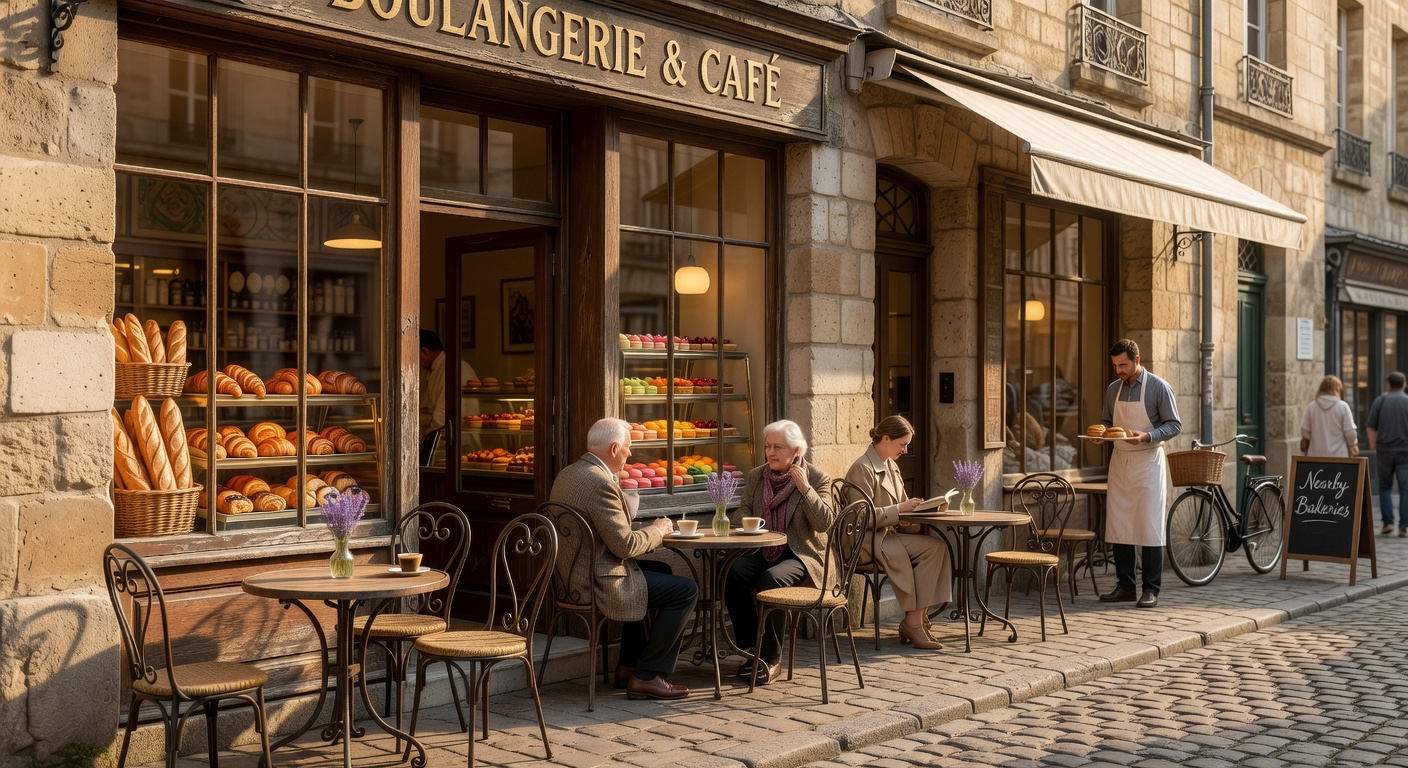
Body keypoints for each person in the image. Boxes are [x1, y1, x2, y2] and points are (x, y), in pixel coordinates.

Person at [549, 418, 698, 699]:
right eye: (628, 449)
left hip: (572, 577)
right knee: (685, 591)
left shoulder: (569, 472)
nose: (630, 454)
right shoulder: (600, 483)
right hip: (596, 581)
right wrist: (657, 530)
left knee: (661, 570)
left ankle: (627, 666)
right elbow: (625, 546)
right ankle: (647, 676)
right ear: (615, 448)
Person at [724, 420, 835, 685]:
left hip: (801, 555)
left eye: (778, 447)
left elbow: (825, 522)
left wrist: (805, 489)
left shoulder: (817, 478)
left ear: (796, 451)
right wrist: (751, 523)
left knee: (771, 579)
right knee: (733, 573)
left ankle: (772, 659)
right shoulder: (757, 476)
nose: (771, 453)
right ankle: (751, 650)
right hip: (764, 548)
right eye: (767, 446)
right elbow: (742, 511)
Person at [844, 415, 951, 650]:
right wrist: (899, 509)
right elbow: (860, 518)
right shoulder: (862, 468)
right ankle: (914, 622)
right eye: (902, 444)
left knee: (937, 547)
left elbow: (901, 512)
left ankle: (914, 617)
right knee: (932, 550)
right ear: (885, 438)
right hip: (866, 541)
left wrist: (926, 509)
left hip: (886, 535)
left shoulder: (891, 465)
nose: (905, 450)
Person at [1097, 339, 1182, 610]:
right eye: (1115, 365)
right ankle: (1125, 586)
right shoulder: (1113, 390)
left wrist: (1147, 436)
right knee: (1119, 523)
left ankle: (1151, 589)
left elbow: (1174, 425)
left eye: (1123, 364)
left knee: (1148, 525)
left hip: (1147, 461)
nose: (1118, 370)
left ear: (1137, 359)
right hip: (1120, 460)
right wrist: (1099, 433)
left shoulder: (1159, 387)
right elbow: (1107, 421)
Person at [1366, 371, 1408, 536]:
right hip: (1405, 451)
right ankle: (1404, 525)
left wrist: (1373, 445)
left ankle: (1387, 523)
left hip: (1384, 450)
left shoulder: (1380, 401)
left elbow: (1370, 426)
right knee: (1405, 489)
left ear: (1389, 385)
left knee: (1384, 487)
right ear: (1404, 384)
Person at [418, 329, 477, 442]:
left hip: (459, 442)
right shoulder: (430, 369)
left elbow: (442, 415)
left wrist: (426, 441)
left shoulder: (449, 368)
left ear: (424, 351)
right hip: (449, 438)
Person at [1299, 375, 1359, 459]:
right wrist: (1353, 445)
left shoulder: (1312, 407)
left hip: (1315, 456)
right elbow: (1350, 433)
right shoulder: (1343, 407)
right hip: (1339, 456)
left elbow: (1305, 431)